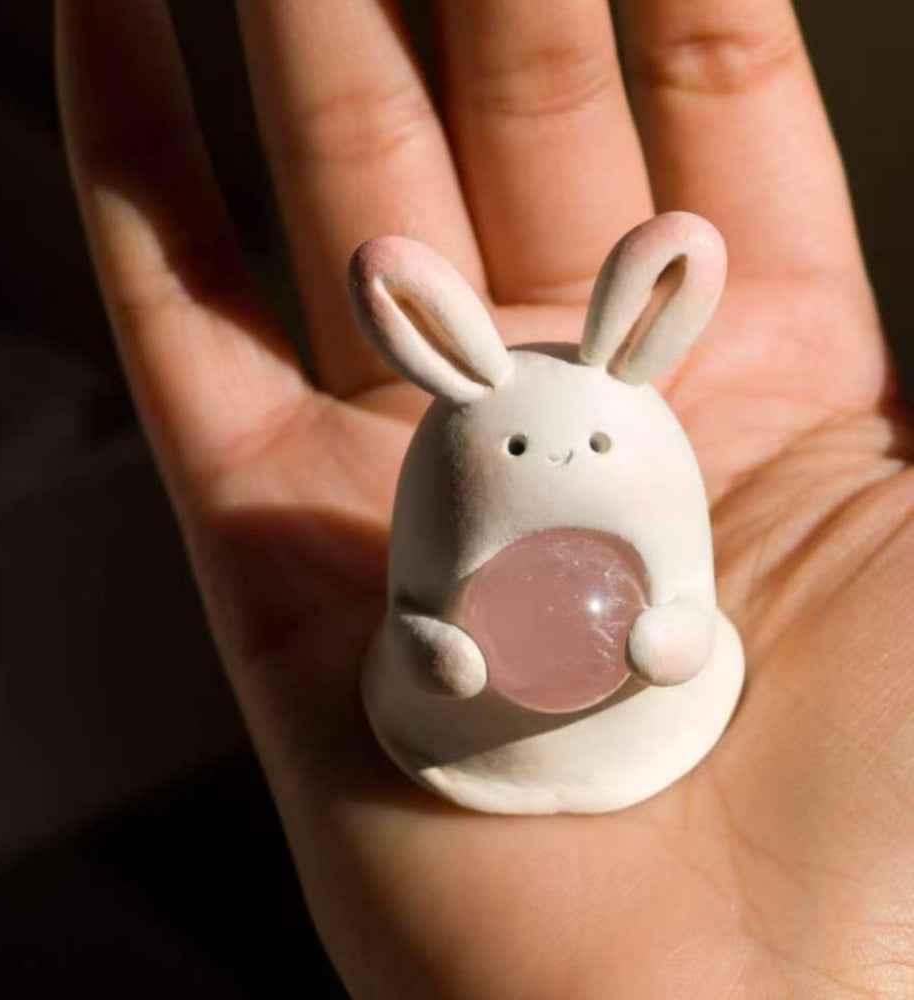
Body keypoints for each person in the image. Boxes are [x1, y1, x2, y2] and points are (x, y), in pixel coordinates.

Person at [56, 2, 913, 995]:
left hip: (654, 732)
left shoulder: (638, 441)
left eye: (595, 445)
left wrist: (666, 640)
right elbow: (422, 618)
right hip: (464, 750)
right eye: (513, 448)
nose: (560, 460)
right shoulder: (454, 451)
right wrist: (444, 653)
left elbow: (682, 611)